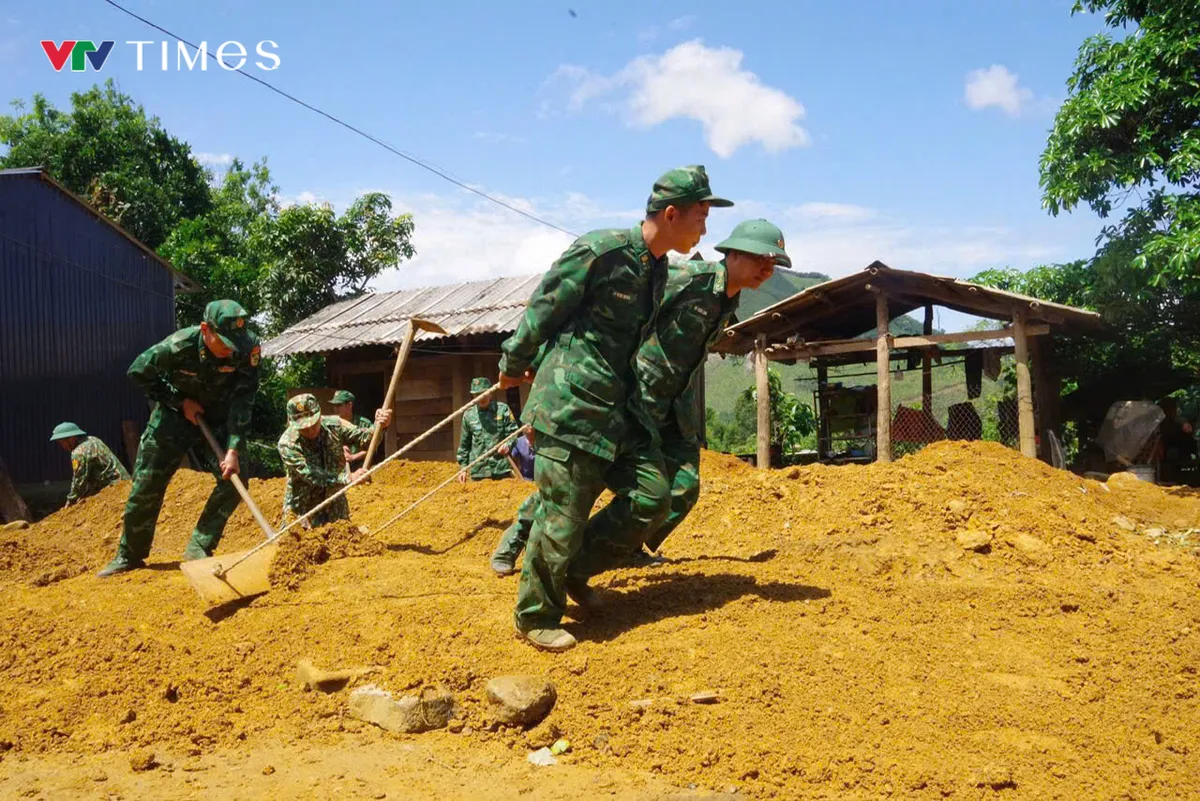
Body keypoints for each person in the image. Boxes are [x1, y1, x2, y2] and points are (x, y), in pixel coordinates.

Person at [498, 165, 733, 651]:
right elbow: (545, 306)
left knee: (653, 496)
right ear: (671, 214)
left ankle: (577, 572)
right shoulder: (601, 251)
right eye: (701, 218)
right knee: (561, 514)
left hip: (620, 408)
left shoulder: (659, 268)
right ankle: (535, 614)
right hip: (572, 403)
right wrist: (514, 362)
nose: (705, 230)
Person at [583, 219, 792, 565]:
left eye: (773, 264)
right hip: (639, 396)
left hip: (675, 405)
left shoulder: (729, 305)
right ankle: (524, 537)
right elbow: (634, 311)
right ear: (735, 253)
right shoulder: (690, 278)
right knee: (589, 477)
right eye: (761, 259)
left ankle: (626, 546)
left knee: (684, 485)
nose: (767, 269)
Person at [98, 300, 261, 577]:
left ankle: (199, 546)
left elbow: (244, 399)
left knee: (236, 478)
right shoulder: (178, 345)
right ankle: (130, 554)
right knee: (147, 483)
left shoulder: (247, 348)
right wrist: (178, 401)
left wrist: (233, 447)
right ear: (205, 330)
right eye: (222, 342)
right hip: (173, 420)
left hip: (218, 420)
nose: (229, 349)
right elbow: (138, 371)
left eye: (233, 342)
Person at [277, 393, 392, 527]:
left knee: (344, 544)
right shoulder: (287, 444)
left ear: (319, 415)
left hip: (335, 506)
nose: (309, 430)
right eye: (303, 428)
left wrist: (380, 426)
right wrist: (348, 478)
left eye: (313, 424)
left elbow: (365, 440)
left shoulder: (336, 425)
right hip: (303, 510)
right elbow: (311, 474)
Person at [490, 427, 536, 576]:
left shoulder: (547, 442)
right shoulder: (520, 443)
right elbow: (514, 459)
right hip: (529, 483)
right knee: (532, 508)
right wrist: (506, 453)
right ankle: (508, 550)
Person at [49, 422, 130, 506]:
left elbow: (79, 480)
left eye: (61, 442)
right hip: (125, 481)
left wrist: (71, 500)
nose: (62, 446)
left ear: (71, 438)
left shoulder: (79, 453)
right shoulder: (93, 440)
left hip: (113, 487)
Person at [456, 377, 519, 483]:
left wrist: (507, 445)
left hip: (501, 470)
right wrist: (463, 468)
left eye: (483, 394)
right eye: (477, 395)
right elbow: (464, 445)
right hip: (479, 472)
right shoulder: (468, 416)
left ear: (490, 393)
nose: (481, 398)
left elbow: (513, 433)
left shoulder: (503, 410)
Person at [331, 390, 374, 464]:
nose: (335, 409)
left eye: (338, 405)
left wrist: (353, 457)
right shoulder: (331, 424)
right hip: (339, 471)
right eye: (334, 405)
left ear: (349, 405)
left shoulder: (364, 424)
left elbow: (373, 448)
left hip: (361, 468)